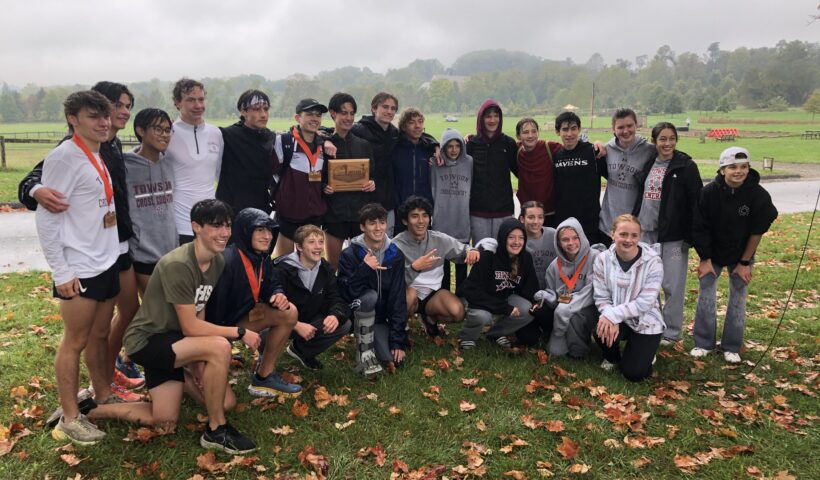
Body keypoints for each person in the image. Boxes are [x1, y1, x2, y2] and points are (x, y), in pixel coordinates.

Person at [19, 81, 143, 399]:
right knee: (85, 334)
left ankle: (106, 377)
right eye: (116, 106)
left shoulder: (107, 146)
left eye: (126, 106)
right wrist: (35, 190)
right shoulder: (72, 150)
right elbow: (36, 179)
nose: (120, 113)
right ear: (77, 117)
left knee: (121, 315)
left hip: (115, 244)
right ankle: (96, 385)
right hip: (88, 255)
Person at [121, 199, 258, 454]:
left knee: (169, 419)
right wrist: (239, 332)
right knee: (220, 346)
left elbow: (199, 306)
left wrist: (196, 361)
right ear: (196, 226)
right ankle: (216, 430)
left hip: (175, 341)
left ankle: (94, 407)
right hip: (148, 341)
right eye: (216, 226)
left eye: (227, 226)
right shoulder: (178, 264)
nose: (224, 233)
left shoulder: (216, 261)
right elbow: (190, 327)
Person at [37, 91, 122, 444]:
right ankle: (70, 417)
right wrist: (61, 271)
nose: (103, 122)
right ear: (73, 118)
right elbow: (46, 219)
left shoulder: (97, 154)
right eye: (93, 116)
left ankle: (102, 395)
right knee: (74, 341)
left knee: (99, 336)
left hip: (105, 259)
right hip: (79, 267)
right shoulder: (65, 157)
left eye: (105, 116)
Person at [690, 147, 778, 363]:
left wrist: (745, 262)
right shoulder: (708, 193)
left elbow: (758, 230)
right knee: (706, 293)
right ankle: (703, 343)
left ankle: (732, 345)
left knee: (738, 297)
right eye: (732, 167)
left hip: (741, 253)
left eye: (743, 167)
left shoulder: (758, 195)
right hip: (712, 252)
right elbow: (699, 227)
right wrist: (705, 259)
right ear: (722, 170)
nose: (738, 171)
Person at [204, 208, 301, 397]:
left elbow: (271, 283)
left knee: (289, 312)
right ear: (245, 231)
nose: (267, 236)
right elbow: (211, 314)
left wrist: (277, 294)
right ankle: (195, 367)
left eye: (269, 231)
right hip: (212, 330)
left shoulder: (262, 257)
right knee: (224, 402)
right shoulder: (227, 261)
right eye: (260, 230)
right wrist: (235, 334)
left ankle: (264, 377)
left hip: (239, 320)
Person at [632, 122, 702, 345]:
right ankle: (654, 324)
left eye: (671, 138)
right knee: (647, 283)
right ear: (654, 142)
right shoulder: (649, 163)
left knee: (672, 284)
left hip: (673, 235)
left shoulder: (685, 166)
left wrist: (691, 235)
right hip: (646, 233)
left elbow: (696, 202)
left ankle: (671, 332)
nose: (667, 143)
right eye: (662, 139)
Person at [393, 196, 479, 338]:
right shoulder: (396, 245)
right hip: (407, 293)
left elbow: (463, 250)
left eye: (425, 216)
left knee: (457, 312)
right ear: (404, 221)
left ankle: (429, 319)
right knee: (410, 296)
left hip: (431, 296)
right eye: (414, 216)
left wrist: (472, 251)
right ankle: (401, 329)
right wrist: (414, 268)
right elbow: (390, 283)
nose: (421, 221)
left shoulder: (439, 239)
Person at [593, 214, 664, 382]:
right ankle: (612, 356)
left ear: (640, 237)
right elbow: (601, 296)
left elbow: (646, 302)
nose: (628, 240)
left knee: (633, 374)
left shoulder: (653, 261)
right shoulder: (602, 259)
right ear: (612, 234)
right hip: (616, 318)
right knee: (597, 325)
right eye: (623, 234)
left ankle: (644, 351)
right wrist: (609, 315)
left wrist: (613, 315)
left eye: (634, 235)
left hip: (645, 320)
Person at [338, 203, 407, 375]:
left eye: (382, 222)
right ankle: (364, 354)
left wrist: (397, 340)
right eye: (372, 223)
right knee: (370, 296)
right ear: (362, 226)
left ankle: (378, 340)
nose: (378, 228)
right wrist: (364, 269)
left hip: (380, 318)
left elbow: (398, 297)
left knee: (392, 358)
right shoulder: (350, 254)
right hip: (356, 311)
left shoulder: (395, 254)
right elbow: (345, 292)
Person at [275, 225, 352, 370]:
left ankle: (301, 351)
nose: (318, 247)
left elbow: (336, 297)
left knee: (344, 324)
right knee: (265, 331)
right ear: (299, 246)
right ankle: (263, 361)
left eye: (321, 242)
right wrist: (295, 324)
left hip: (310, 320)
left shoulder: (326, 268)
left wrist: (335, 315)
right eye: (311, 242)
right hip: (283, 321)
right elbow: (270, 306)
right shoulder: (281, 269)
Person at [457, 218, 538, 350]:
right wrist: (504, 308)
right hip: (479, 299)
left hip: (503, 297)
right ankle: (468, 337)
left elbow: (530, 287)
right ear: (503, 238)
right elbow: (470, 290)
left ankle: (495, 333)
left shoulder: (526, 258)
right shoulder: (487, 256)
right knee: (482, 316)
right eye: (511, 237)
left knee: (527, 310)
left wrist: (535, 305)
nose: (517, 242)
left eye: (521, 238)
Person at [532, 218, 604, 357]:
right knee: (555, 352)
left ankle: (580, 349)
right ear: (558, 242)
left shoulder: (595, 258)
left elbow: (593, 291)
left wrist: (568, 306)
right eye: (565, 239)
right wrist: (547, 296)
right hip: (561, 314)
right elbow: (555, 299)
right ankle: (562, 336)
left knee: (575, 313)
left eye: (575, 238)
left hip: (590, 310)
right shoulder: (554, 266)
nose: (571, 243)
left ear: (581, 237)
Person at [125, 108, 178, 294]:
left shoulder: (170, 163)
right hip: (143, 253)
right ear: (140, 131)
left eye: (167, 130)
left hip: (172, 252)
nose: (164, 135)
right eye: (158, 129)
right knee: (153, 310)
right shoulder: (125, 165)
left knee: (170, 311)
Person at [166, 78, 224, 245]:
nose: (198, 106)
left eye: (201, 99)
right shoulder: (167, 133)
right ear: (177, 103)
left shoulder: (216, 133)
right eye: (191, 100)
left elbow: (219, 175)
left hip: (210, 222)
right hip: (179, 224)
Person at [322, 92, 376, 270]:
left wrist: (372, 184)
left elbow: (372, 175)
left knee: (361, 265)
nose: (348, 117)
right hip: (334, 215)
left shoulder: (363, 145)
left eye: (352, 113)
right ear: (333, 114)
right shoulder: (323, 144)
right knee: (333, 266)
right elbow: (318, 178)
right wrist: (324, 187)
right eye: (344, 113)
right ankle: (334, 298)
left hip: (359, 214)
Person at [271, 98, 329, 258]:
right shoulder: (283, 142)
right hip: (289, 215)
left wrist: (324, 186)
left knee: (312, 264)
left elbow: (321, 177)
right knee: (285, 264)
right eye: (309, 114)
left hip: (315, 216)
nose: (315, 118)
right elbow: (270, 174)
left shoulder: (323, 143)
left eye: (318, 115)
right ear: (298, 118)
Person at [216, 89, 277, 217]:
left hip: (261, 210)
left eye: (266, 109)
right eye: (257, 109)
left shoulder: (271, 137)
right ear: (243, 111)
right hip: (231, 211)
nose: (263, 114)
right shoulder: (227, 135)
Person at [599, 108, 655, 245]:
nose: (625, 131)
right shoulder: (607, 150)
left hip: (633, 226)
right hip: (607, 223)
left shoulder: (649, 151)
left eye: (629, 126)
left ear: (636, 125)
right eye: (620, 127)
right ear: (613, 128)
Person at [551, 111, 608, 245]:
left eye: (573, 129)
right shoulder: (555, 156)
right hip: (563, 221)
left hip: (590, 222)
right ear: (557, 131)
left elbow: (613, 178)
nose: (569, 134)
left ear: (579, 130)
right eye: (565, 129)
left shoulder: (593, 152)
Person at [467, 100, 518, 242]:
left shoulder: (508, 143)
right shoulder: (472, 144)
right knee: (481, 254)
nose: (492, 120)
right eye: (488, 116)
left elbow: (521, 172)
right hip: (478, 211)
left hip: (504, 210)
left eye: (496, 116)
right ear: (481, 119)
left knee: (502, 255)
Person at [351, 92, 400, 235]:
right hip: (365, 199)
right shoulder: (358, 130)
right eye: (385, 107)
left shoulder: (395, 133)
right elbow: (335, 133)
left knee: (386, 243)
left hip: (388, 199)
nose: (389, 111)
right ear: (374, 108)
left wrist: (434, 144)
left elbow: (418, 136)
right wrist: (326, 138)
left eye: (393, 108)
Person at [431, 128, 473, 291]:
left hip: (461, 220)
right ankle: (445, 296)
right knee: (443, 265)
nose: (454, 150)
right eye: (449, 146)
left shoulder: (469, 162)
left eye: (457, 145)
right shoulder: (435, 163)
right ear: (443, 147)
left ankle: (461, 297)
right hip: (442, 222)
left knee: (462, 262)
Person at [392, 108, 438, 229]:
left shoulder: (429, 149)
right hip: (400, 211)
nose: (417, 126)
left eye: (420, 121)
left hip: (423, 210)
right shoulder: (394, 148)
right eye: (412, 122)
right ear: (403, 127)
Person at [514, 118, 560, 227]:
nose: (530, 135)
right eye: (525, 132)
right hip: (527, 215)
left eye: (534, 131)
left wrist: (597, 145)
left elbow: (574, 150)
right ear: (518, 136)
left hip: (550, 214)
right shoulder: (517, 150)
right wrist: (469, 137)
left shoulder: (550, 147)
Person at [518, 201, 557, 290]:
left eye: (540, 217)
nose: (536, 222)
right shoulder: (517, 239)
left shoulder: (554, 235)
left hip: (553, 288)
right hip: (527, 290)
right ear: (522, 219)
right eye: (531, 217)